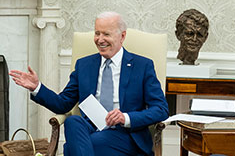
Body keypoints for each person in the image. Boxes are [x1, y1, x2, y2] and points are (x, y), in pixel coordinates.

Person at [9, 11, 169, 156]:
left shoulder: (142, 66)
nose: (100, 40)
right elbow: (63, 104)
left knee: (72, 148)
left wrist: (125, 117)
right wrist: (37, 88)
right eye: (97, 33)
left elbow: (161, 109)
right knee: (72, 121)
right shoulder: (84, 65)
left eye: (106, 34)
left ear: (122, 36)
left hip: (124, 135)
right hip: (89, 130)